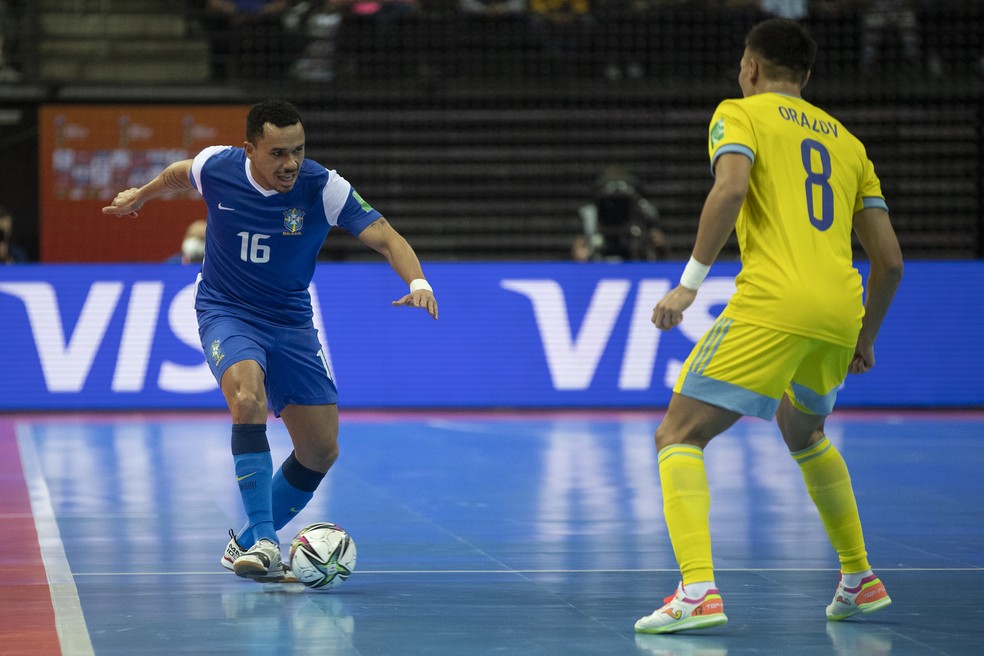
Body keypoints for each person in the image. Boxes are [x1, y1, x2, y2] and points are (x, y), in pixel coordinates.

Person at [634, 18, 903, 634]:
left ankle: (697, 589)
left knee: (677, 434)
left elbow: (729, 191)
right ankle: (859, 578)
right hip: (840, 308)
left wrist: (689, 284)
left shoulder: (740, 112)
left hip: (774, 302)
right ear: (804, 77)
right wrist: (865, 337)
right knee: (803, 431)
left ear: (751, 67)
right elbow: (889, 261)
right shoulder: (848, 143)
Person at [102, 99, 438, 582]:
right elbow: (180, 173)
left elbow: (384, 235)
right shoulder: (219, 166)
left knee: (320, 450)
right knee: (247, 397)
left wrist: (418, 283)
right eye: (278, 153)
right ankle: (264, 539)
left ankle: (243, 543)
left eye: (298, 150)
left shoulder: (322, 187)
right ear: (250, 150)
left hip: (290, 320)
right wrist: (141, 195)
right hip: (226, 309)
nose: (291, 163)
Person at [572, 165, 668, 262]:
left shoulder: (645, 211)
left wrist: (659, 248)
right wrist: (580, 252)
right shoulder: (589, 215)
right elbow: (579, 248)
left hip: (635, 252)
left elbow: (659, 246)